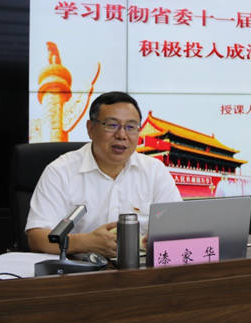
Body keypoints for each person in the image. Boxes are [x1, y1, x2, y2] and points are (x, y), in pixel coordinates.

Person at [26, 91, 182, 257]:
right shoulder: (60, 171)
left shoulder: (154, 171)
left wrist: (161, 238)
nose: (121, 135)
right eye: (111, 125)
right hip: (79, 268)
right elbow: (37, 238)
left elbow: (179, 225)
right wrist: (86, 242)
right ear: (90, 128)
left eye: (131, 127)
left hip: (140, 267)